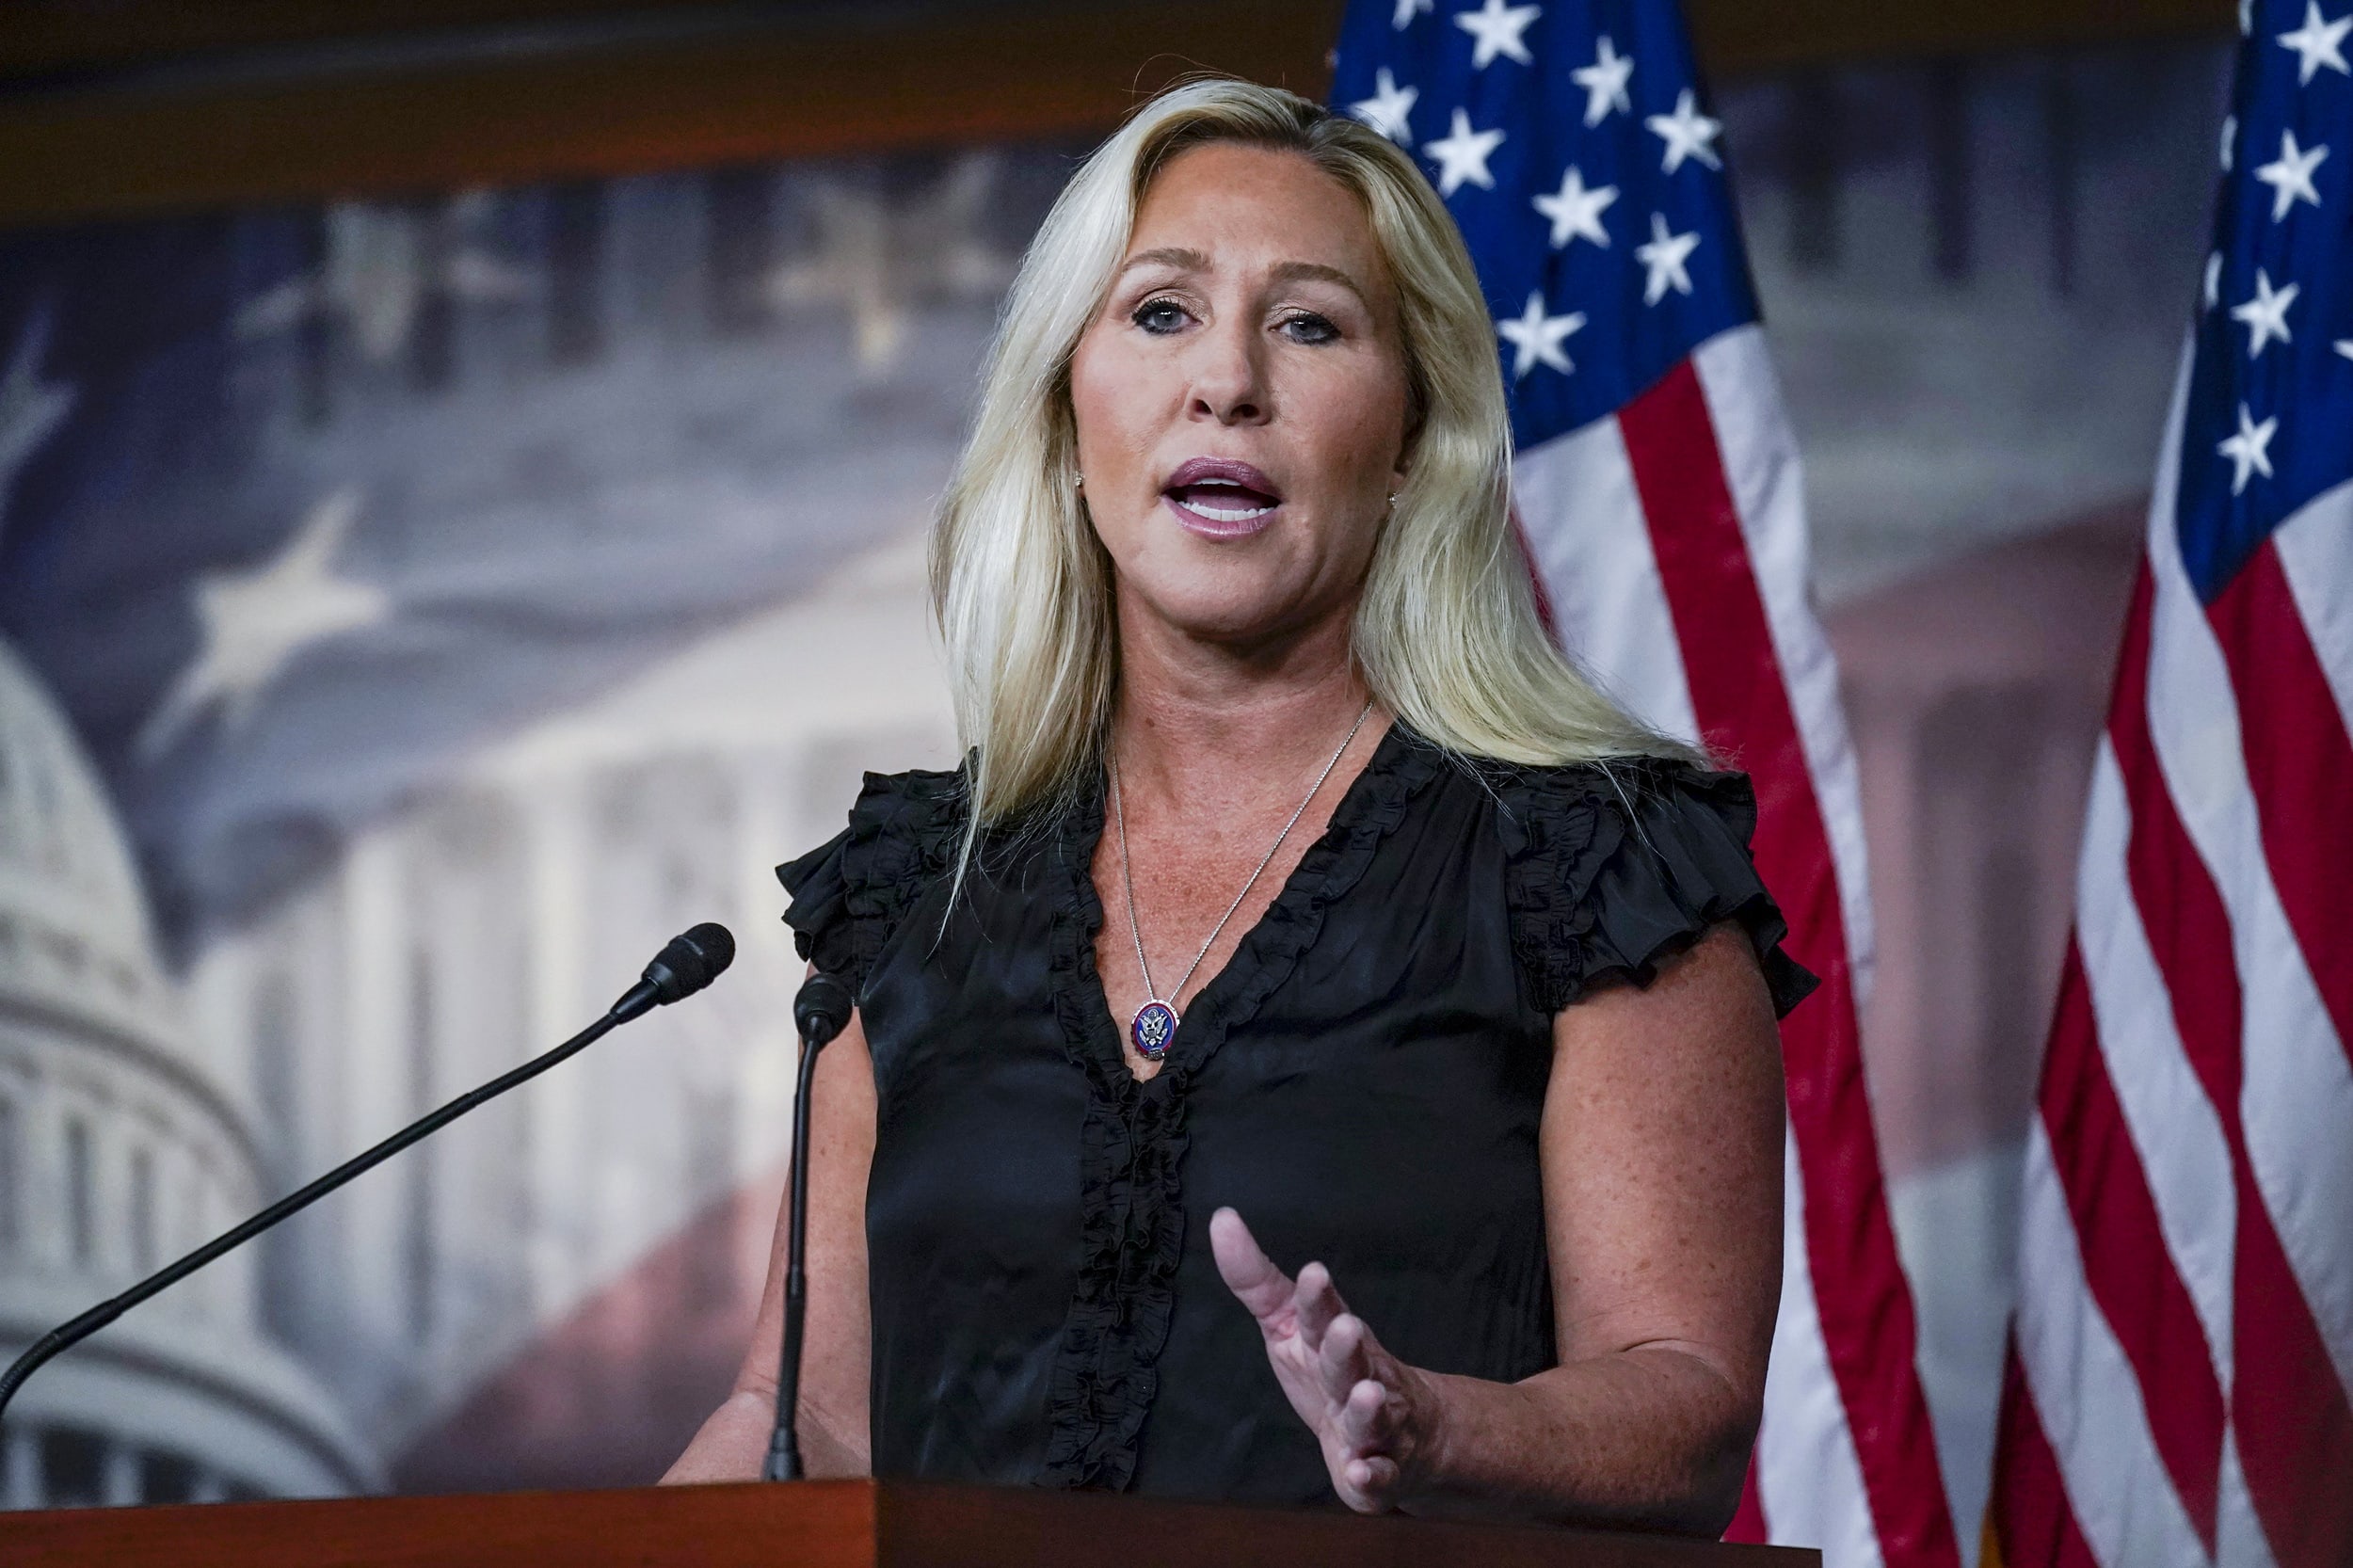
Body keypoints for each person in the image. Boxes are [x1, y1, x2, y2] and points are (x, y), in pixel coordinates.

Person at [664, 77, 1808, 1533]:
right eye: (1159, 313)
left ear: (1409, 443)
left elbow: (1686, 1395)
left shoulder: (1601, 869)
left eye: (1312, 323)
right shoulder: (912, 897)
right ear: (1069, 418)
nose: (1227, 383)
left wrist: (1434, 1420)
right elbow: (808, 1421)